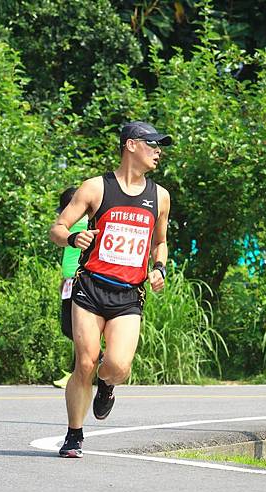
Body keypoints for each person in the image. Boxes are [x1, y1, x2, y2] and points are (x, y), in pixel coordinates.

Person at [50, 121, 172, 457]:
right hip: (90, 289)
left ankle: (107, 386)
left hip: (128, 295)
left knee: (118, 367)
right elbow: (57, 228)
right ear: (131, 145)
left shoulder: (159, 196)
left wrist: (159, 267)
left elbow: (160, 243)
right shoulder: (95, 188)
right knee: (85, 363)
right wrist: (73, 237)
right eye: (153, 144)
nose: (158, 151)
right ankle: (74, 435)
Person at [53, 186, 89, 389]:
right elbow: (69, 254)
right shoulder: (78, 226)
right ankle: (79, 371)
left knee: (72, 328)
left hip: (78, 279)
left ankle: (96, 358)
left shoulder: (79, 224)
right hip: (70, 280)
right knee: (74, 329)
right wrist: (64, 279)